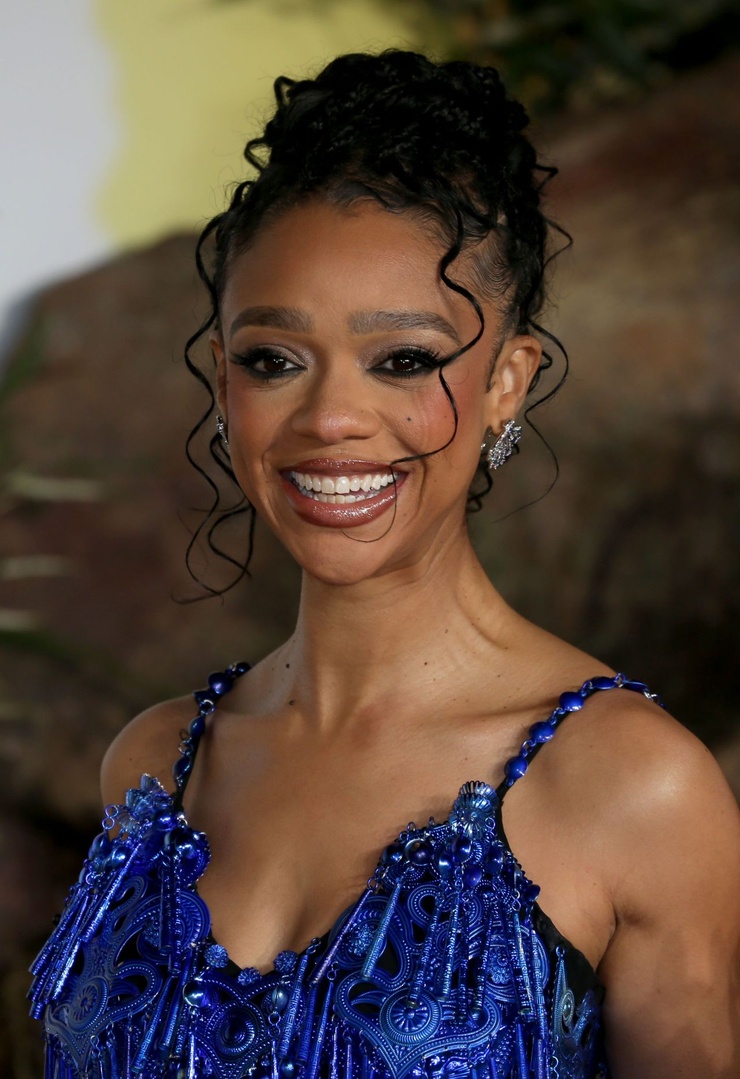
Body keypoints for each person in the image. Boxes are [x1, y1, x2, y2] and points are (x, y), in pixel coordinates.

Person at [29, 50, 739, 1079]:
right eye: (273, 360)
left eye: (402, 359)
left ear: (507, 380)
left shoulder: (633, 788)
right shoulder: (151, 766)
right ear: (223, 379)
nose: (329, 418)